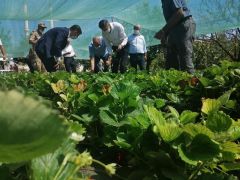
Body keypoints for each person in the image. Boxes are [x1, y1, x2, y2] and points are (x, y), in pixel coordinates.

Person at [154, 0, 196, 74]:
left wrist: (163, 31)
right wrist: (165, 34)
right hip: (174, 28)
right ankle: (174, 83)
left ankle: (190, 83)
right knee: (171, 58)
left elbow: (179, 13)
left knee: (184, 57)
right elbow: (172, 19)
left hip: (183, 24)